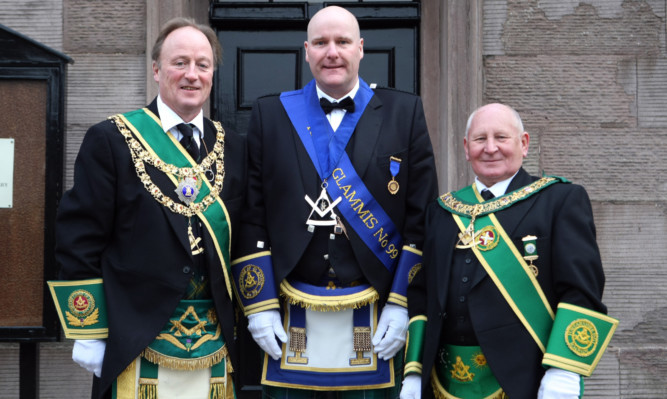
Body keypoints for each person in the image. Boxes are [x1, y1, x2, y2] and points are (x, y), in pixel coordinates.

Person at [230, 5, 438, 398]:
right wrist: (258, 304)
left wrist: (402, 302)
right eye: (322, 43)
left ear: (361, 48)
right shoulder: (271, 113)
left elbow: (420, 215)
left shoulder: (404, 112)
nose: (332, 52)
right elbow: (252, 214)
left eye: (342, 41)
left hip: (377, 318)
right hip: (289, 315)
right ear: (306, 51)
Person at [48, 17, 245, 399]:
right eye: (179, 63)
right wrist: (88, 330)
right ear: (156, 70)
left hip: (215, 343)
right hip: (133, 336)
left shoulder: (234, 147)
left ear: (213, 73)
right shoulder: (110, 139)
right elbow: (78, 240)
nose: (192, 75)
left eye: (202, 65)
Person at [399, 103, 618, 399]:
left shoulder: (559, 201)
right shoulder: (442, 211)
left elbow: (582, 291)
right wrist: (414, 371)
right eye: (480, 139)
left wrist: (564, 370)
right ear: (466, 148)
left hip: (525, 378)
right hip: (444, 383)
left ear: (524, 144)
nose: (490, 148)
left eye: (501, 138)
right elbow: (422, 293)